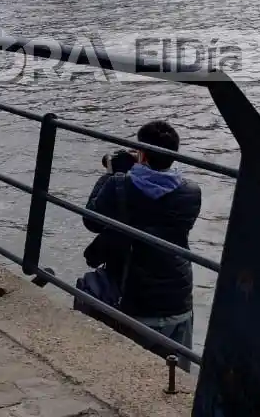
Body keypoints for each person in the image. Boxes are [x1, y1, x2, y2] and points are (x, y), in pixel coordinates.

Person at [79, 120, 201, 370]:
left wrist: (111, 175)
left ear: (141, 153)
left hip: (133, 299)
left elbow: (91, 221)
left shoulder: (120, 184)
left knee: (86, 290)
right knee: (175, 377)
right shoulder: (191, 191)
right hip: (178, 298)